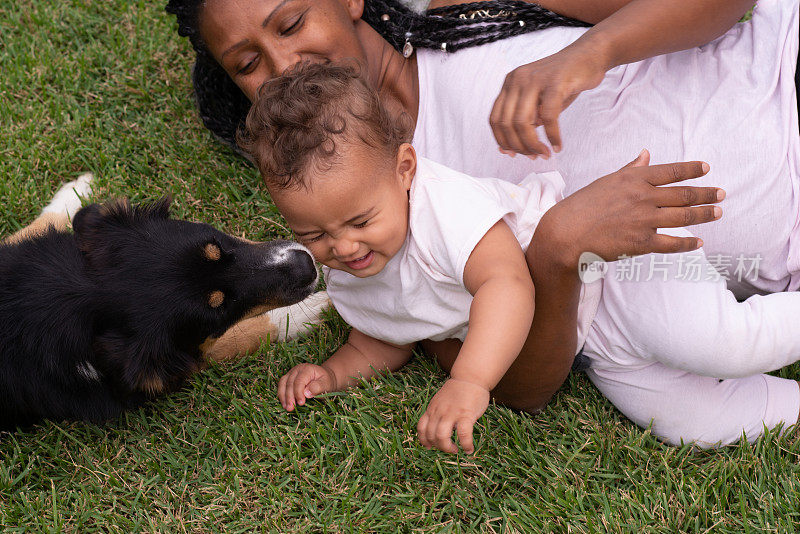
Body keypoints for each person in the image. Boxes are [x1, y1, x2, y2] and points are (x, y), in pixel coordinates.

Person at [166, 0, 800, 445]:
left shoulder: (460, 14)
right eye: (247, 64)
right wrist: (558, 249)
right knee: (692, 402)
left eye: (292, 21)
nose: (284, 64)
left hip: (778, 88)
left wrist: (589, 52)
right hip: (747, 269)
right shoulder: (373, 239)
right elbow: (522, 386)